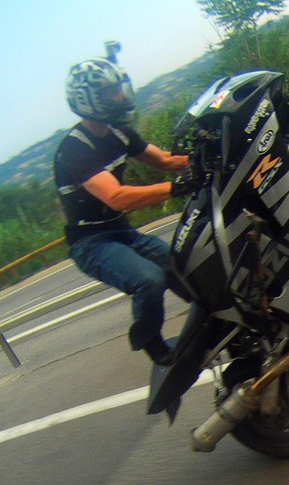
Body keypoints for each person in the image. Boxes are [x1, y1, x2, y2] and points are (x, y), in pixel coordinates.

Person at [54, 56, 195, 366]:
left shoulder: (120, 133)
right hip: (91, 242)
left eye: (119, 89)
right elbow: (116, 197)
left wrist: (201, 156)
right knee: (150, 281)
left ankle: (206, 315)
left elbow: (165, 161)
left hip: (121, 231)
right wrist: (176, 188)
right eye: (110, 92)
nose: (120, 96)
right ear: (88, 100)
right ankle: (149, 340)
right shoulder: (75, 150)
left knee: (179, 262)